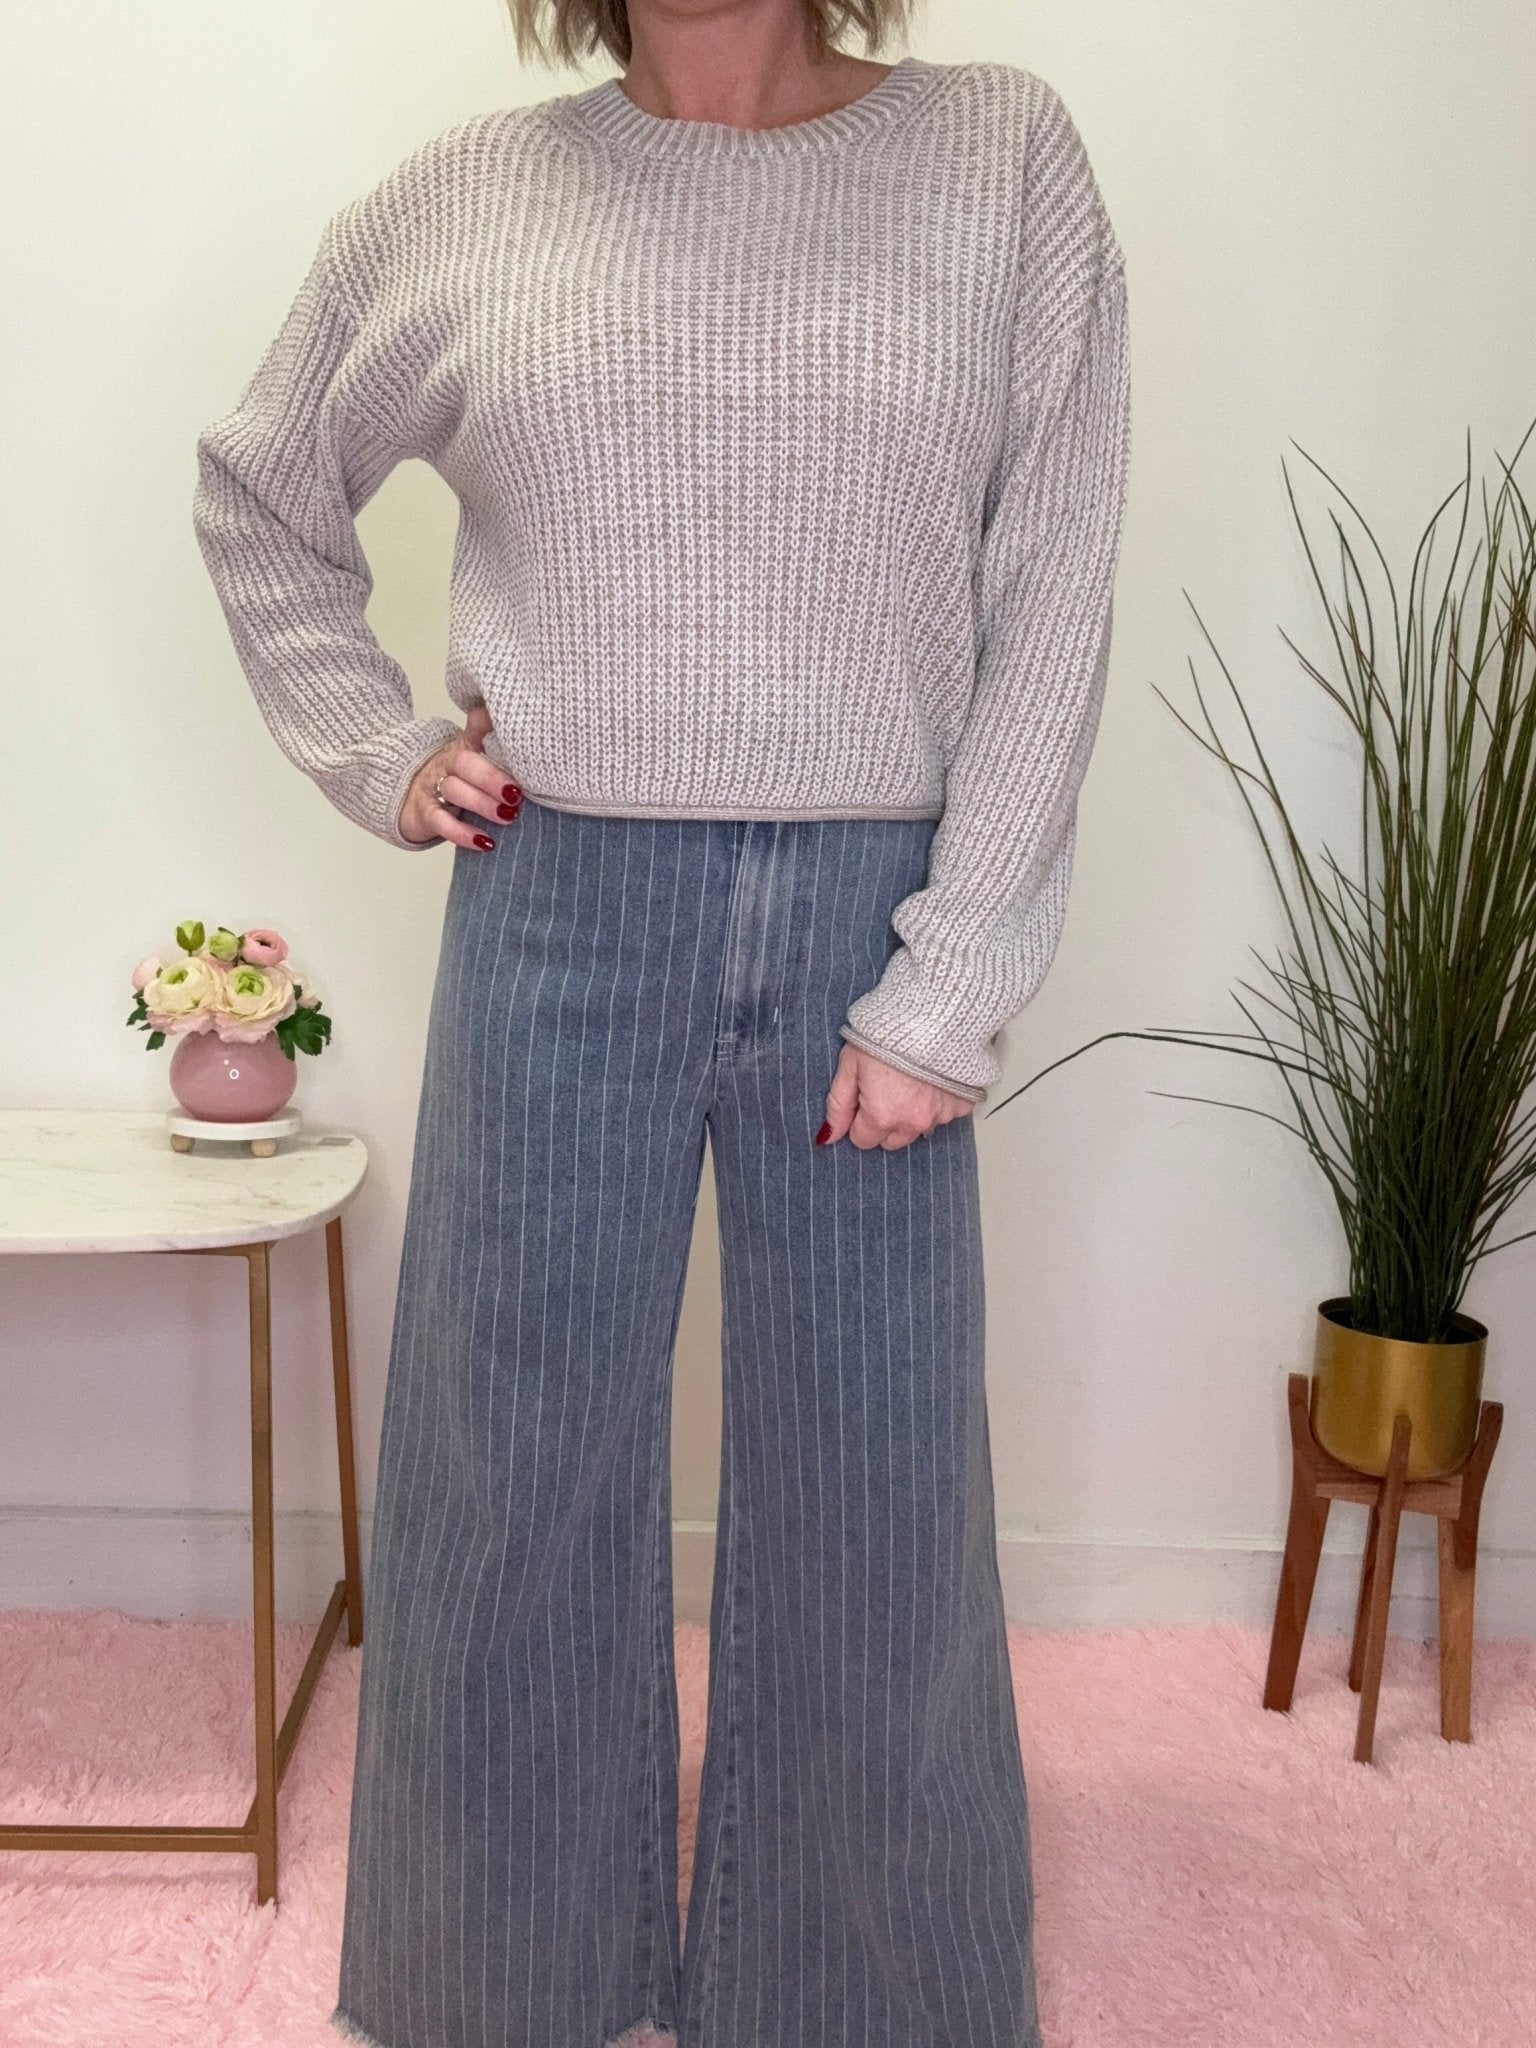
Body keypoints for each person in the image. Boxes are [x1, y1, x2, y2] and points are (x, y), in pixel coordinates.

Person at [190, 0, 1131, 2039]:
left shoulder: (1002, 164)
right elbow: (261, 488)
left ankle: (858, 1995)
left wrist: (953, 979)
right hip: (560, 903)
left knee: (876, 1488)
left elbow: (1052, 586)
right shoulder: (467, 202)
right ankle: (499, 1979)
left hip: (876, 917)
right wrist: (377, 748)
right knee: (508, 1464)